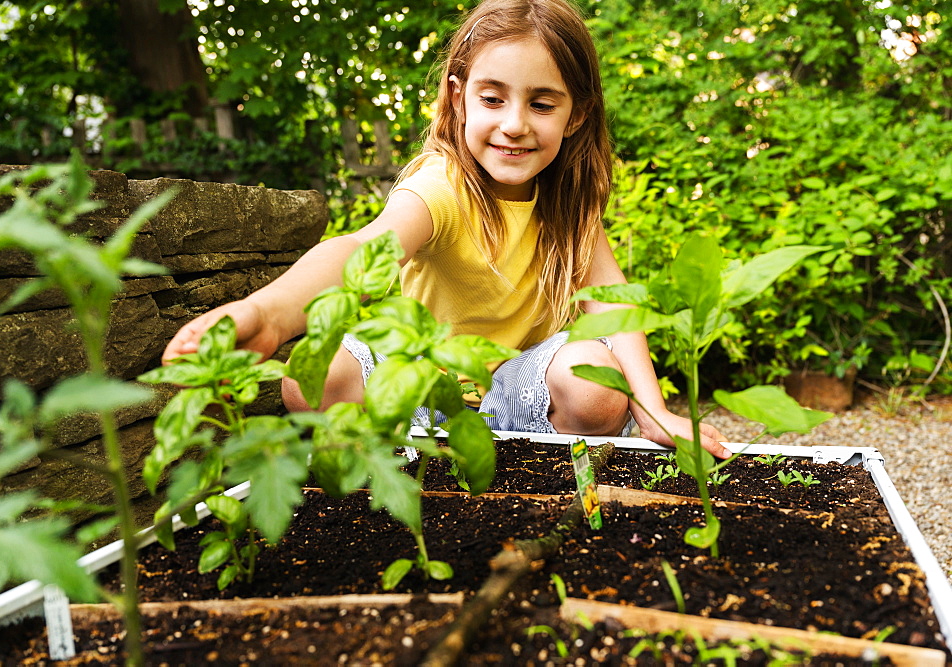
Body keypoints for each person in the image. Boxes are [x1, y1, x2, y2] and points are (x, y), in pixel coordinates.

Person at [163, 0, 730, 459]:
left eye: (541, 104)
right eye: (492, 98)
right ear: (459, 98)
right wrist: (272, 311)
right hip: (416, 387)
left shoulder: (568, 203)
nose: (514, 125)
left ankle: (541, 461)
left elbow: (610, 306)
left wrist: (654, 409)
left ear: (575, 114)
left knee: (600, 383)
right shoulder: (443, 187)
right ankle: (379, 462)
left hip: (515, 393)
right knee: (315, 370)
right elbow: (362, 248)